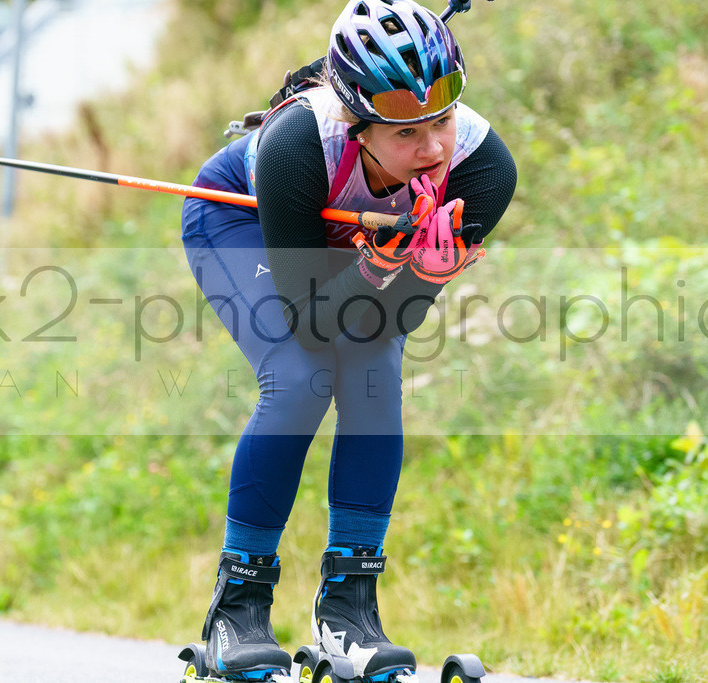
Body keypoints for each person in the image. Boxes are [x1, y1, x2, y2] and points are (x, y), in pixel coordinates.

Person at [179, 0, 516, 679]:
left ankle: (347, 611)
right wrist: (376, 266)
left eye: (442, 120)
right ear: (357, 125)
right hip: (240, 220)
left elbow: (384, 323)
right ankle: (237, 610)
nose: (433, 149)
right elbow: (311, 320)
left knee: (371, 376)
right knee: (300, 378)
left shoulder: (483, 169)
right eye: (406, 133)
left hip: (353, 251)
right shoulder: (299, 146)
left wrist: (421, 275)